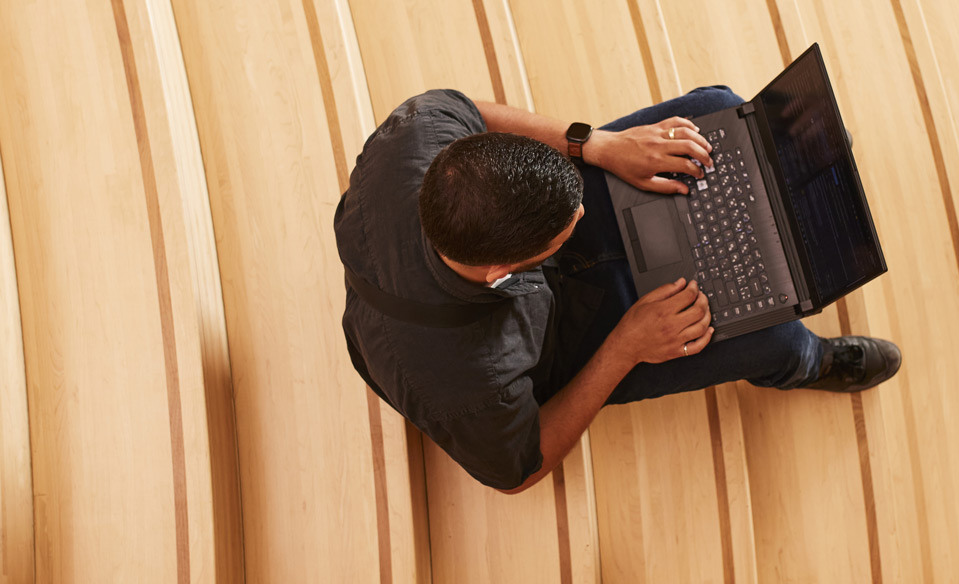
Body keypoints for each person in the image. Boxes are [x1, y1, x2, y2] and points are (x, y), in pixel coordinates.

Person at [334, 87, 900, 494]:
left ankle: (788, 172)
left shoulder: (417, 138)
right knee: (773, 337)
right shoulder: (469, 384)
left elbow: (473, 110)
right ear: (501, 270)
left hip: (500, 261)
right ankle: (807, 362)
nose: (583, 211)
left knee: (711, 111)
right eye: (566, 228)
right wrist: (624, 347)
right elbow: (520, 470)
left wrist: (598, 145)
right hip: (555, 345)